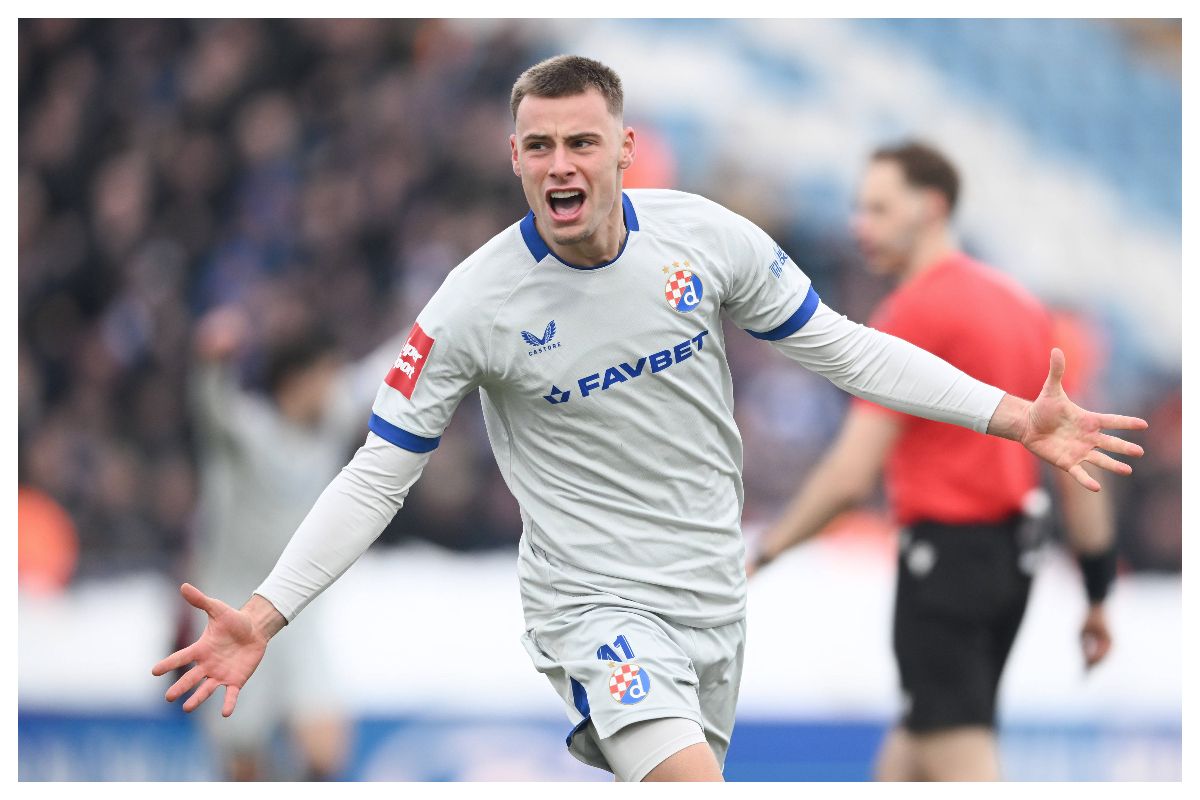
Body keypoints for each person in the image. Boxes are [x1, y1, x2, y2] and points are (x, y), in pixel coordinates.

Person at [152, 56, 1145, 783]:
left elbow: (846, 349)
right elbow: (378, 471)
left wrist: (1011, 414)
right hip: (595, 610)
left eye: (581, 141)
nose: (561, 163)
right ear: (513, 159)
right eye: (539, 145)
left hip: (710, 596)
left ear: (624, 149)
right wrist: (267, 611)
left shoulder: (704, 239)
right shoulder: (471, 306)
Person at [747, 142, 1121, 781]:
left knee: (959, 756)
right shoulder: (1022, 305)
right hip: (1011, 562)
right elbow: (1079, 457)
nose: (860, 226)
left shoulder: (912, 312)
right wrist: (1098, 588)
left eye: (879, 208)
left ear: (931, 207)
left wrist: (767, 550)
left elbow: (850, 476)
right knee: (913, 755)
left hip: (948, 565)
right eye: (859, 209)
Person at [187, 303, 406, 780]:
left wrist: (444, 314)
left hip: (297, 611)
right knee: (243, 763)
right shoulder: (246, 432)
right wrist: (212, 361)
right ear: (296, 381)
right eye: (325, 376)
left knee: (326, 750)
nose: (334, 387)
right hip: (235, 608)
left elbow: (385, 369)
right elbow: (211, 407)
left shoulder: (330, 419)